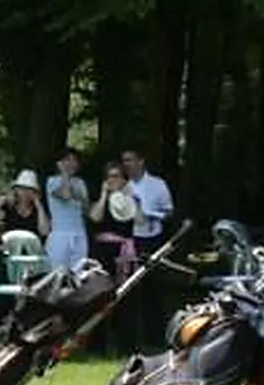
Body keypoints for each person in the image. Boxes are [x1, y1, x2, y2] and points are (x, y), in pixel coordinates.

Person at [121, 147, 176, 351]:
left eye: (131, 160)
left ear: (141, 161)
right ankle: (132, 339)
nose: (128, 164)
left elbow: (169, 211)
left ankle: (156, 337)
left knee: (154, 289)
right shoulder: (124, 186)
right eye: (125, 161)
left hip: (153, 238)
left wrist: (151, 214)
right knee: (131, 289)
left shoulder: (157, 185)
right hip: (130, 239)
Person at [87, 160, 140, 354]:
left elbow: (140, 220)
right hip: (103, 251)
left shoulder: (130, 199)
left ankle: (125, 344)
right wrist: (104, 195)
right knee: (100, 295)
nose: (112, 180)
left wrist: (131, 198)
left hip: (125, 251)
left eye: (116, 176)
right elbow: (95, 217)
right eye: (109, 176)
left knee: (126, 297)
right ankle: (97, 345)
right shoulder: (101, 198)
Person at [44, 147, 90, 271]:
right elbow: (65, 195)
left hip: (79, 233)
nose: (71, 164)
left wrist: (81, 197)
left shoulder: (80, 183)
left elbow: (86, 209)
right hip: (60, 234)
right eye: (67, 160)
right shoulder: (52, 181)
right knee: (58, 272)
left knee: (78, 273)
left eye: (74, 160)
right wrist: (64, 174)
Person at [0, 169, 50, 241]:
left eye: (28, 189)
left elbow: (44, 232)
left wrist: (38, 205)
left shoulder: (38, 211)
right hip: (10, 247)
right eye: (21, 188)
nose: (24, 193)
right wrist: (2, 200)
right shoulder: (9, 207)